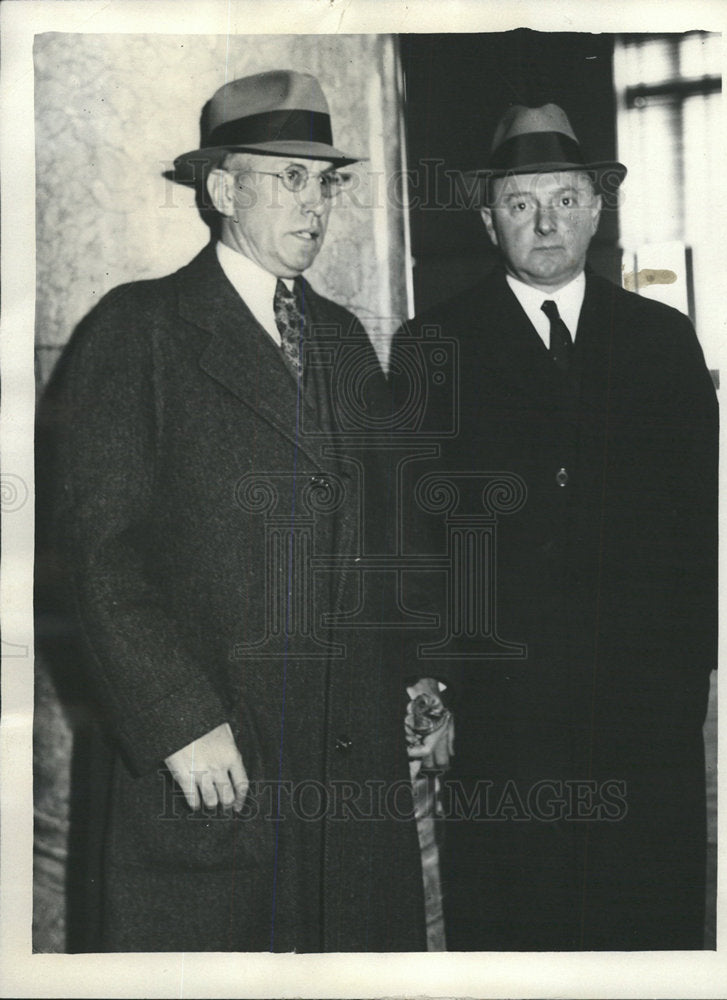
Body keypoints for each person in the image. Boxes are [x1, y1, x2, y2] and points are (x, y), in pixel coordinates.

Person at [40, 70, 450, 953]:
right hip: (217, 762)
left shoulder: (342, 337)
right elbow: (98, 556)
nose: (316, 204)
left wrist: (415, 671)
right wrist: (177, 719)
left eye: (326, 181)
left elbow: (384, 531)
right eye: (289, 177)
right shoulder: (138, 329)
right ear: (223, 190)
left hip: (346, 777)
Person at [392, 103, 718, 950]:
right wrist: (436, 688)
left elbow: (701, 524)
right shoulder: (435, 344)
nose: (545, 223)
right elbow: (414, 526)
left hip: (642, 707)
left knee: (646, 915)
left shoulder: (661, 340)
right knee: (513, 923)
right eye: (520, 202)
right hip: (504, 714)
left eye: (565, 200)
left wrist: (689, 678)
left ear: (596, 209)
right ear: (485, 215)